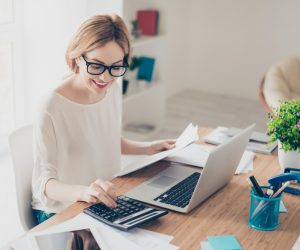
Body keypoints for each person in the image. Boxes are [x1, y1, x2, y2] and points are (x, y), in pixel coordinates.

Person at [31, 14, 175, 224]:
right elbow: (43, 184)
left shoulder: (112, 90)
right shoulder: (51, 105)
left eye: (116, 67)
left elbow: (107, 140)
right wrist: (84, 192)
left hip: (105, 201)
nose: (105, 78)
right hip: (62, 210)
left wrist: (149, 147)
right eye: (96, 66)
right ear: (78, 57)